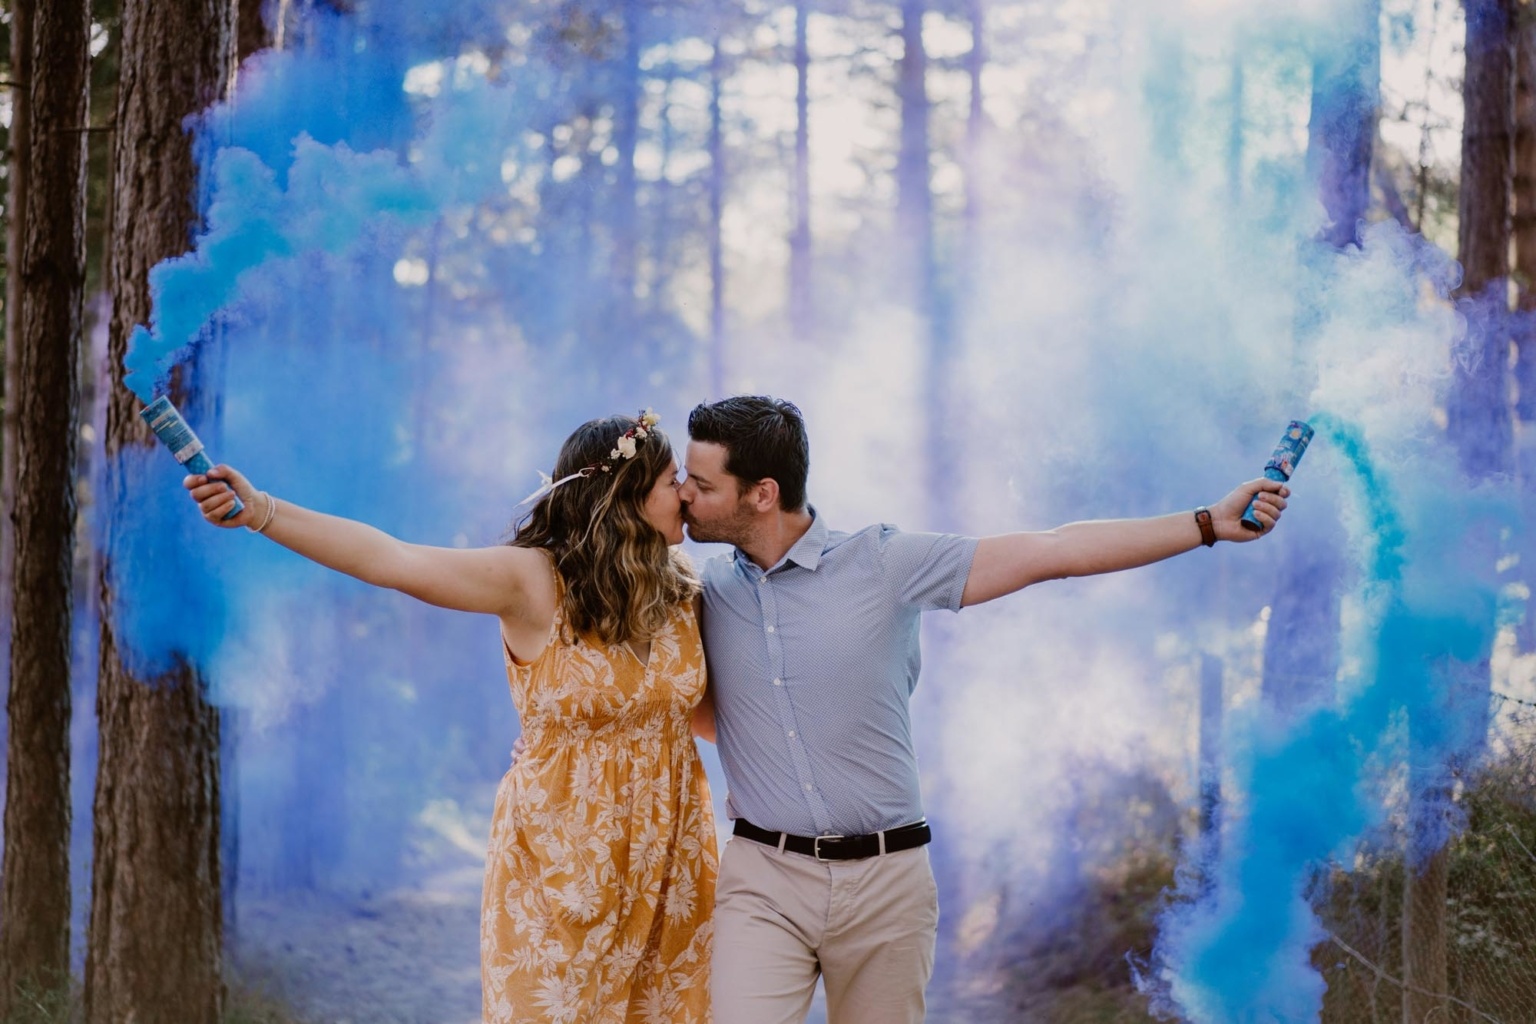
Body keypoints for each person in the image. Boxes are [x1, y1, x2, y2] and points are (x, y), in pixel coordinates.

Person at [675, 395, 1289, 1024]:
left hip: (887, 884)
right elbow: (690, 707)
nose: (682, 495)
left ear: (762, 494)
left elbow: (1055, 551)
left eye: (700, 483)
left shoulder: (884, 562)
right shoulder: (702, 593)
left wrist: (1207, 522)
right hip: (763, 881)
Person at [183, 411, 718, 1024]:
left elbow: (713, 720)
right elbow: (392, 560)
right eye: (673, 479)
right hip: (564, 860)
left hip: (671, 866)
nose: (684, 494)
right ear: (625, 495)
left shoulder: (683, 593)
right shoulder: (534, 580)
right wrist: (263, 512)